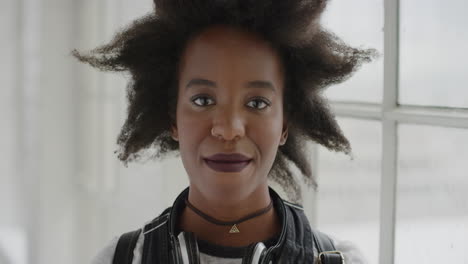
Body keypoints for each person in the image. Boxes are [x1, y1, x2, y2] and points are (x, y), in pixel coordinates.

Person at [74, 0, 376, 263]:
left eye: (257, 103)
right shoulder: (118, 259)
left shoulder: (343, 261)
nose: (229, 129)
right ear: (173, 119)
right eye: (203, 100)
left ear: (285, 124)